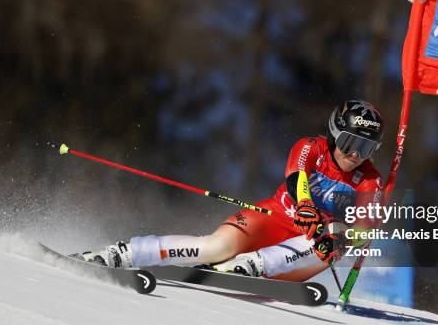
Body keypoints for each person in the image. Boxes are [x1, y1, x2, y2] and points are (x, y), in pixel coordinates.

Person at [75, 99, 384, 282]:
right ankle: (122, 253)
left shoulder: (370, 179)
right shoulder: (311, 147)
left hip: (307, 248)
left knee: (331, 239)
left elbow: (365, 226)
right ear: (334, 134)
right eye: (350, 143)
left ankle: (247, 266)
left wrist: (344, 232)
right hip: (274, 217)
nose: (355, 154)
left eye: (366, 148)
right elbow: (296, 176)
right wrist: (304, 204)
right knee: (214, 247)